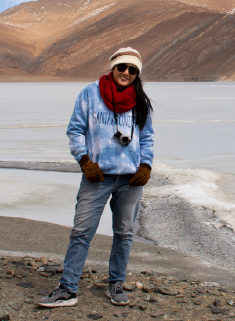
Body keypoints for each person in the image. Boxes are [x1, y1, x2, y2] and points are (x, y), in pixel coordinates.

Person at [38, 47, 154, 307]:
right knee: (81, 231)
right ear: (113, 67)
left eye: (132, 70)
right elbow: (75, 130)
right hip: (97, 176)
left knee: (124, 233)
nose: (126, 73)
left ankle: (116, 283)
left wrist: (145, 166)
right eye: (122, 67)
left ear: (137, 75)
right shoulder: (90, 93)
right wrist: (84, 161)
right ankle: (68, 289)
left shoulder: (140, 101)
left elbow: (147, 137)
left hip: (130, 179)